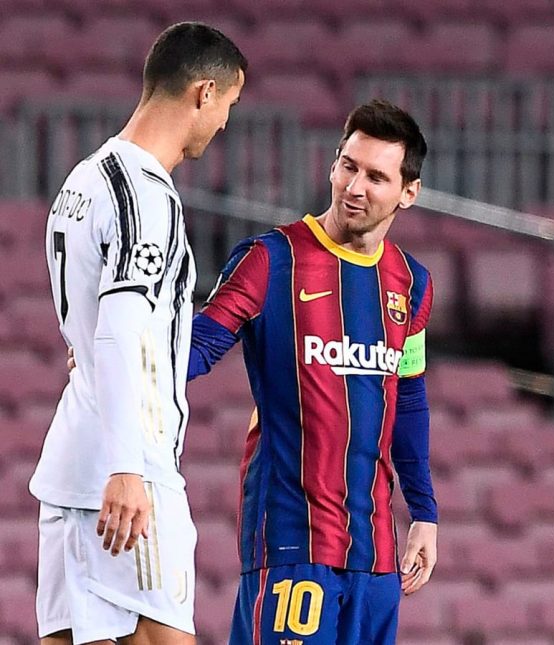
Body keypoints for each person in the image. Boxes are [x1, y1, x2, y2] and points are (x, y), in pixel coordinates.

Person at [186, 99, 438, 644]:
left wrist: (424, 511)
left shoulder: (412, 284)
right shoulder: (269, 260)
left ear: (408, 192)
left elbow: (408, 398)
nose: (355, 187)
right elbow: (197, 350)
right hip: (291, 543)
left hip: (376, 558)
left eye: (376, 177)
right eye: (348, 166)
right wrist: (117, 360)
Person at [29, 22, 246, 645]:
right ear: (204, 92)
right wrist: (127, 466)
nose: (224, 124)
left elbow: (88, 329)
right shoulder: (146, 196)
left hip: (73, 466)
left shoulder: (82, 180)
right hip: (128, 468)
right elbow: (118, 331)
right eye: (229, 105)